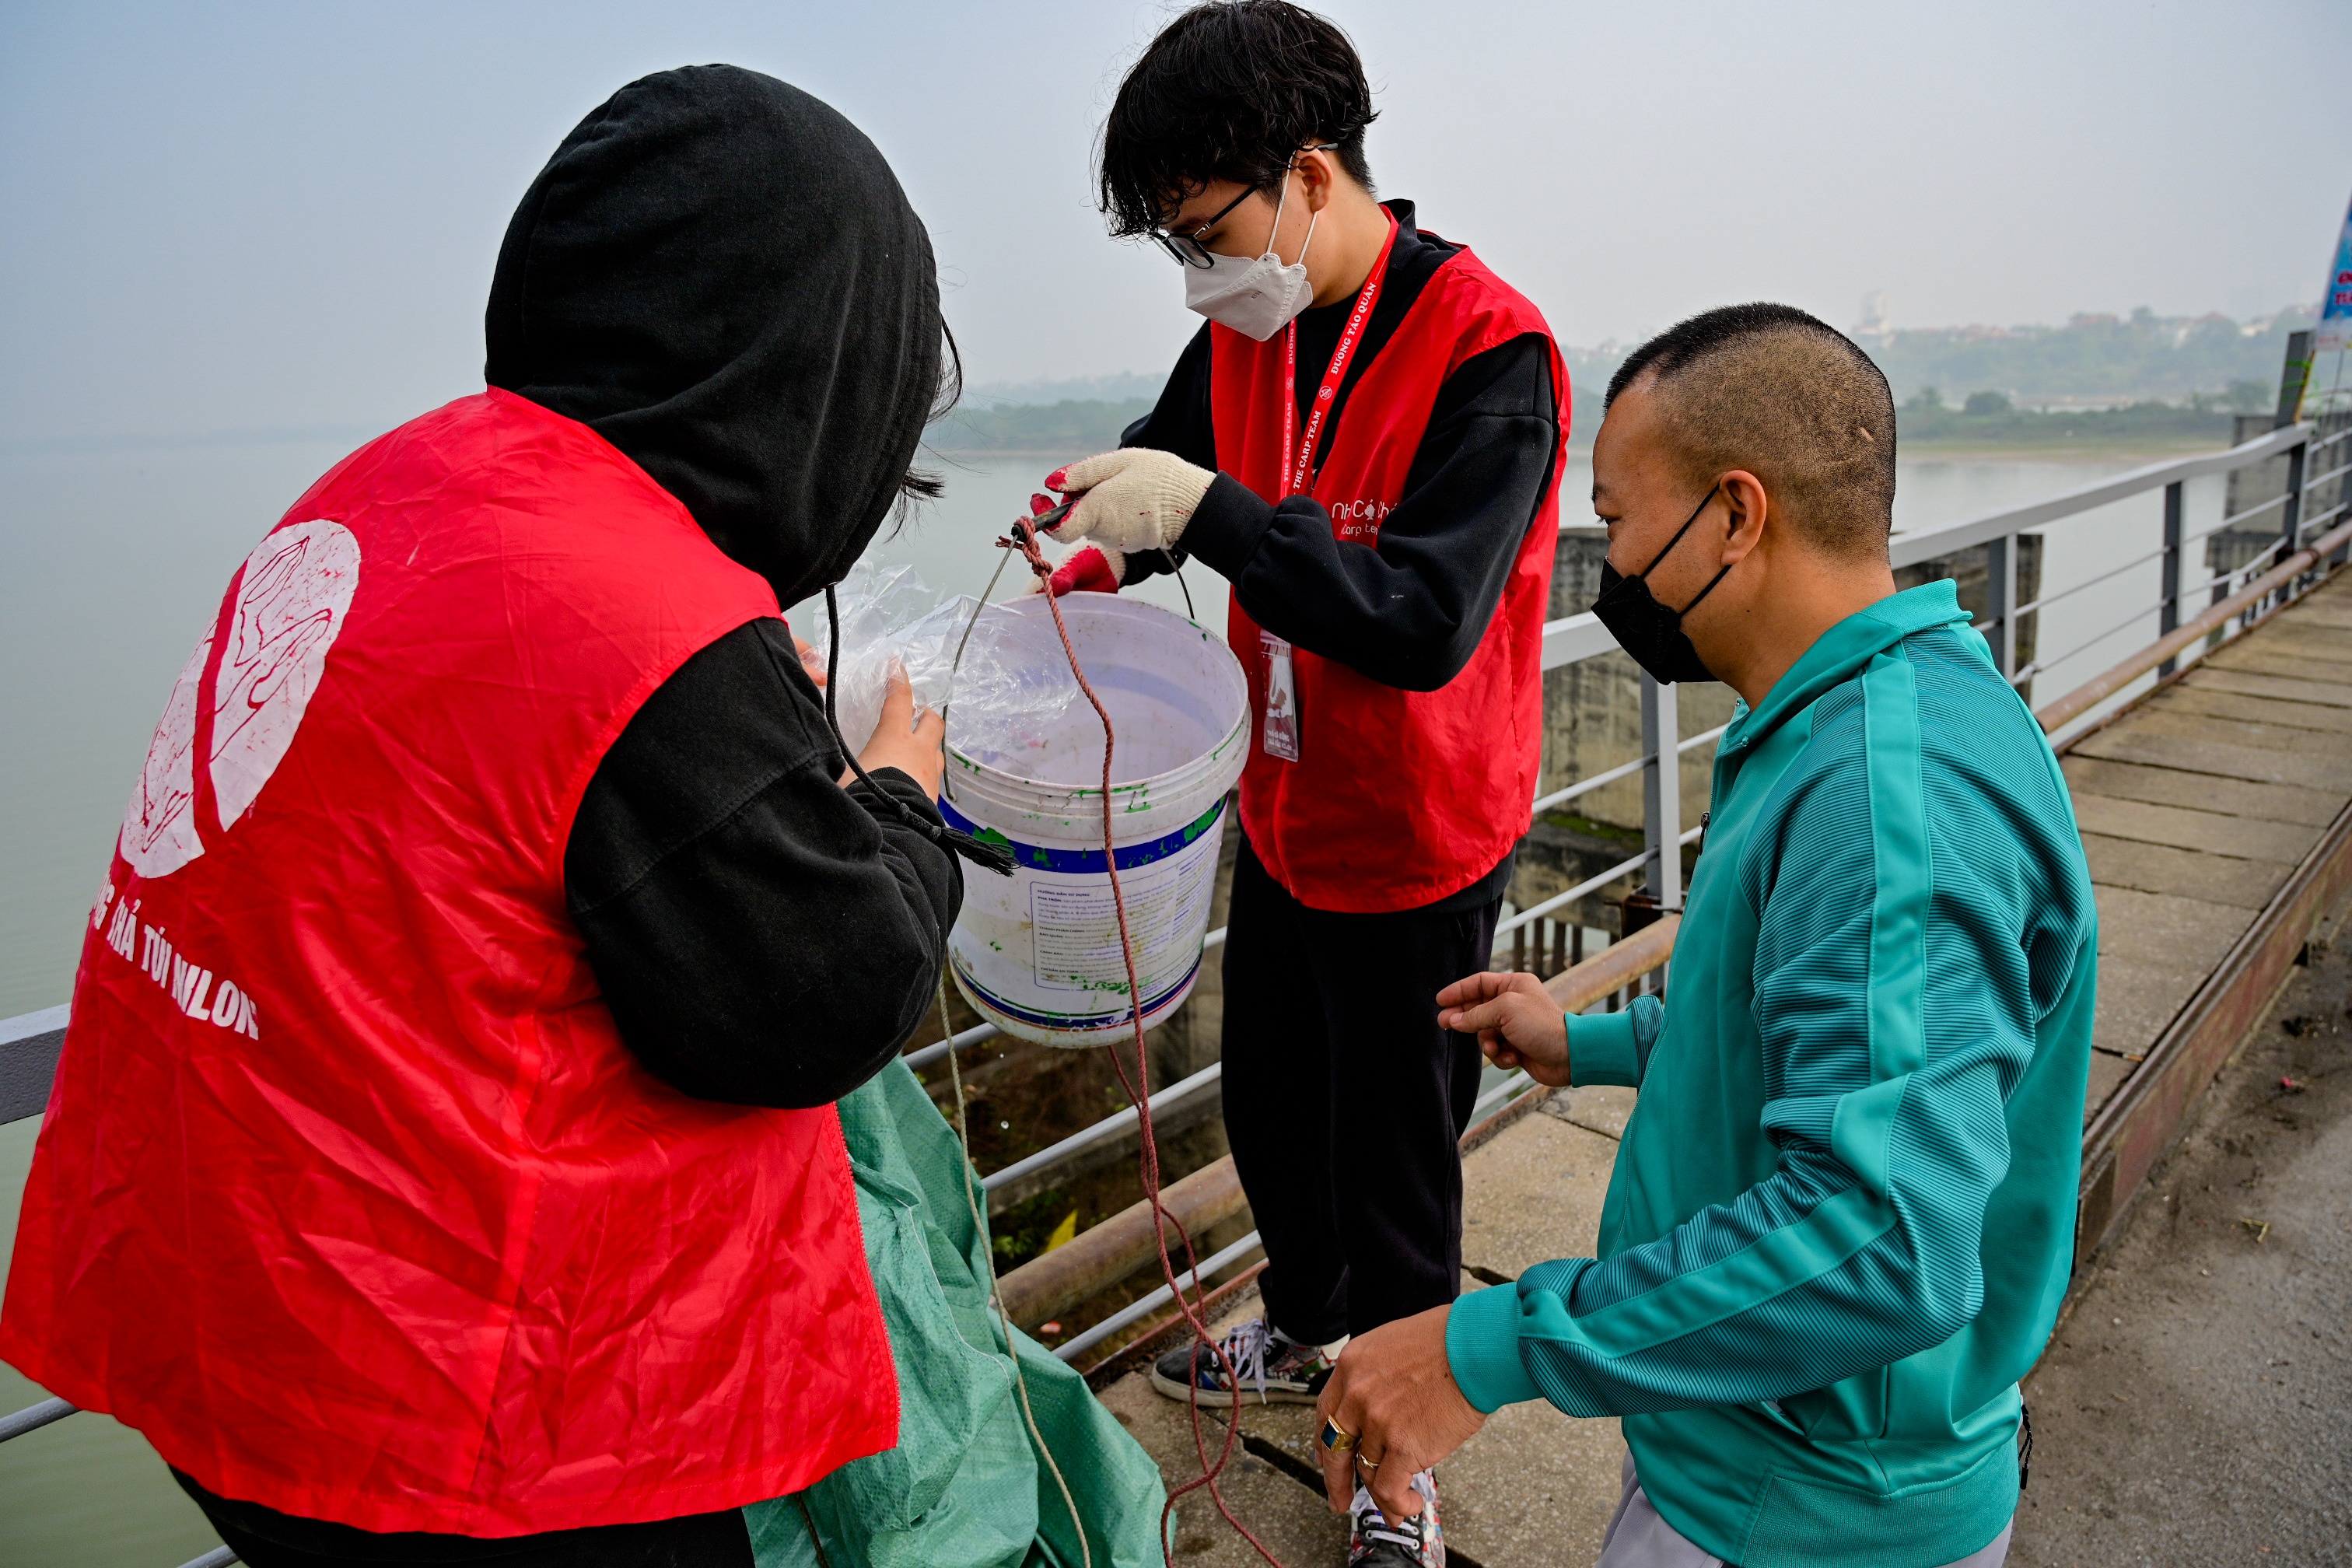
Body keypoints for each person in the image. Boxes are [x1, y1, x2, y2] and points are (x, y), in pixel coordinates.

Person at [2, 67, 981, 1567]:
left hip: (196, 1283)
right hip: (424, 1401)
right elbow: (821, 994)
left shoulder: (389, 485)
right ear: (813, 375)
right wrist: (901, 794)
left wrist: (725, 713)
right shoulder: (646, 624)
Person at [1309, 304, 2100, 1568]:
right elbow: (1799, 1027)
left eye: (1619, 522)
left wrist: (1492, 1346)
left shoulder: (1887, 797)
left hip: (1809, 1510)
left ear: (1737, 514)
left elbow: (1882, 1238)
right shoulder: (1869, 713)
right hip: (1745, 1436)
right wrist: (1596, 1042)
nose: (1612, 566)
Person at [1027, 6, 1570, 1562]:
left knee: (1399, 1168)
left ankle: (1402, 1463)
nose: (1201, 275)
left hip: (1418, 827)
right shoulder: (1244, 330)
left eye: (1208, 232)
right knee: (1273, 1107)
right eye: (1177, 250)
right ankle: (1300, 1324)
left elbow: (1418, 622)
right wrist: (1094, 529)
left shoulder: (1491, 354)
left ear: (1312, 177)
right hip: (1282, 802)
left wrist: (1203, 516)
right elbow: (1165, 472)